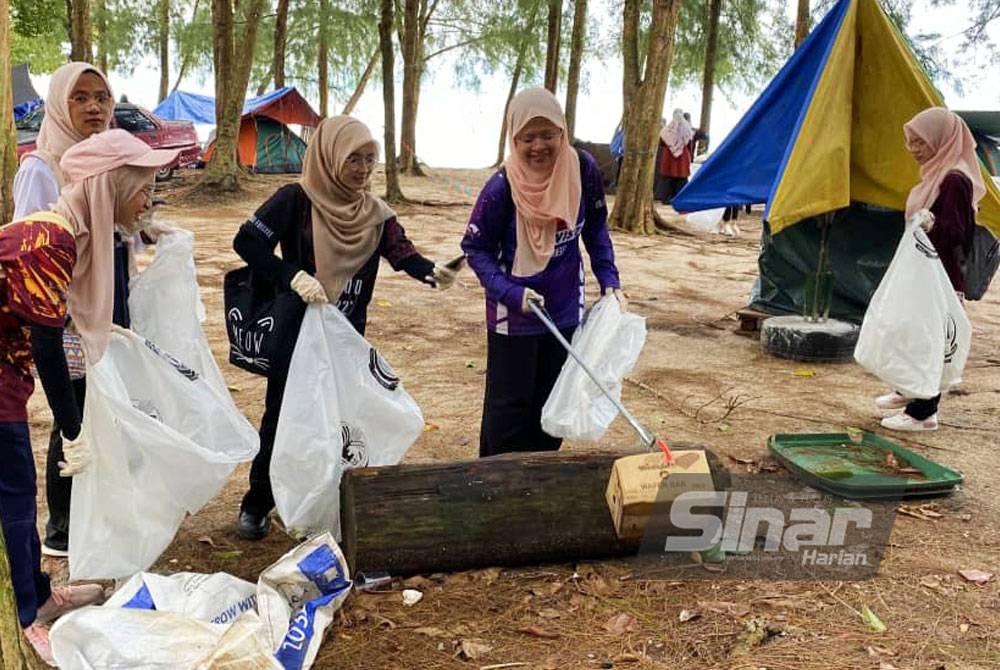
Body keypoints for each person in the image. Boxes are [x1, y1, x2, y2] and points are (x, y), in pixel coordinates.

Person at [233, 115, 458, 540]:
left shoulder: (375, 214)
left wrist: (433, 272)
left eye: (370, 161)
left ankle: (326, 499)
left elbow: (403, 254)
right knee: (282, 415)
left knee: (340, 421)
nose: (361, 170)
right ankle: (257, 502)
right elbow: (246, 242)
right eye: (353, 159)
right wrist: (290, 275)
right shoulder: (294, 201)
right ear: (330, 156)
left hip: (345, 336)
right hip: (296, 331)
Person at [1, 129, 179, 663]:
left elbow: (60, 323)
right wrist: (73, 428)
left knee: (18, 487)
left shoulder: (72, 235)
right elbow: (46, 339)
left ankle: (35, 589)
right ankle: (26, 613)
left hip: (9, 368)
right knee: (13, 491)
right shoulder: (50, 237)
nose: (149, 199)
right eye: (143, 186)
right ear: (113, 185)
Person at [12, 62, 166, 558]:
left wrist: (137, 229)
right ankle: (62, 528)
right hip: (57, 310)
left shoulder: (115, 164)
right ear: (60, 103)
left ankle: (94, 514)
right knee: (72, 414)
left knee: (104, 407)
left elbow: (110, 227)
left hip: (96, 298)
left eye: (102, 96)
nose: (95, 106)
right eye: (80, 97)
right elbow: (36, 259)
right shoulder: (44, 174)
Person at [461, 87, 625, 458]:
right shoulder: (500, 188)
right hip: (515, 315)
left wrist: (610, 281)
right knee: (508, 410)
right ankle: (496, 486)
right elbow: (474, 248)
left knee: (552, 403)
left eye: (548, 135)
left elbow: (596, 226)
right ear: (514, 139)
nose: (539, 146)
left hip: (565, 308)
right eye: (528, 138)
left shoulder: (582, 169)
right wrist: (510, 292)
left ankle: (539, 479)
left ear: (562, 132)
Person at [876, 107, 986, 431]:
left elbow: (959, 232)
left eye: (921, 142)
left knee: (931, 340)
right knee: (915, 333)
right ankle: (909, 390)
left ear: (941, 140)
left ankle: (923, 414)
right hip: (925, 270)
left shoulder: (954, 179)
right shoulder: (938, 175)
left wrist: (928, 224)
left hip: (941, 275)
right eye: (911, 142)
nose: (913, 149)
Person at [657, 109, 694, 205]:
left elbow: (661, 142)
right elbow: (689, 144)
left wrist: (671, 145)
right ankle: (680, 199)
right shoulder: (687, 129)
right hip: (682, 158)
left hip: (669, 156)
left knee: (668, 179)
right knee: (681, 179)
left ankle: (666, 199)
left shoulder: (667, 129)